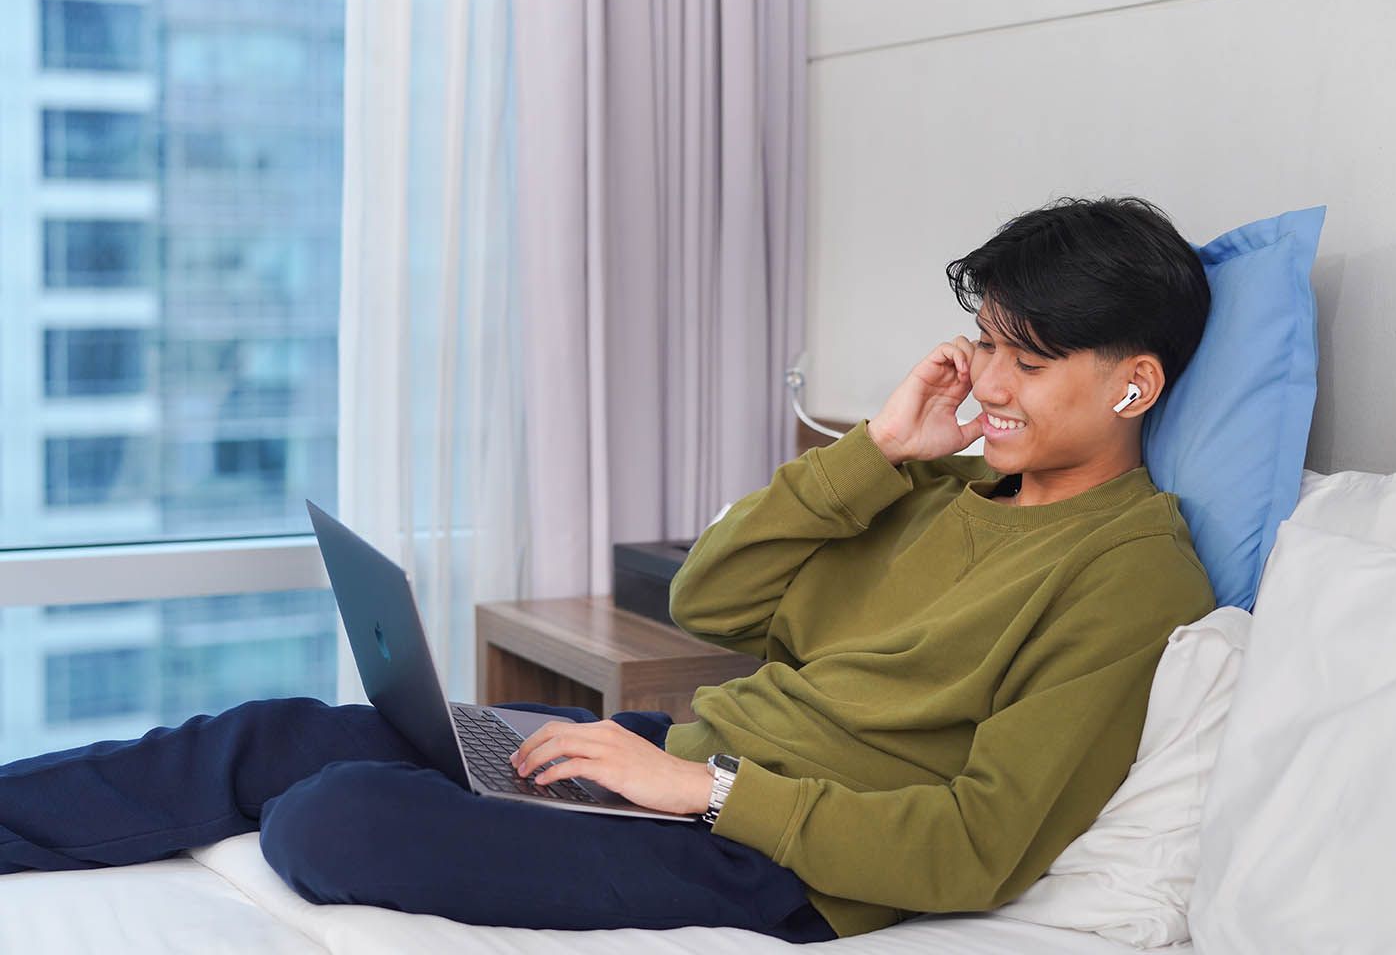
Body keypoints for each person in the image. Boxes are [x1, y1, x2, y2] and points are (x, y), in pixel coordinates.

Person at [0, 196, 1216, 943]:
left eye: (1032, 360)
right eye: (988, 345)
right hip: (675, 765)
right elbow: (712, 599)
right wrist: (878, 457)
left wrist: (709, 797)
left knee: (336, 820)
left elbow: (974, 847)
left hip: (773, 858)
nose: (991, 386)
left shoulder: (1133, 576)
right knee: (274, 736)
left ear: (1134, 383)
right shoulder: (935, 487)